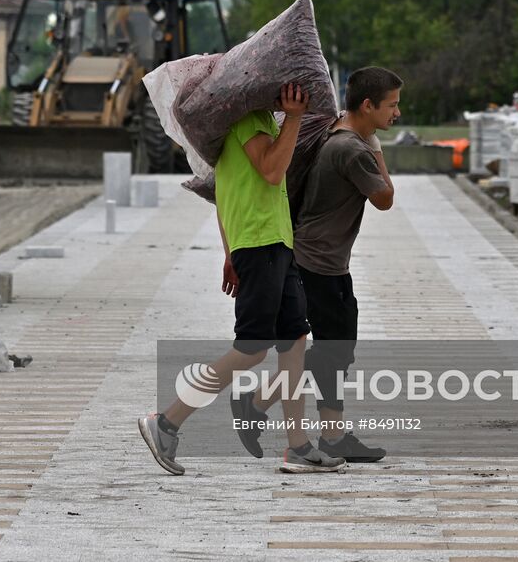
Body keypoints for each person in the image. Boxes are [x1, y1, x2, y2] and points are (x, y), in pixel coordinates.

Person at [138, 83, 346, 476]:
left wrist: (230, 252)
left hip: (273, 242)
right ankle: (165, 422)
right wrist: (296, 119)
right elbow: (270, 171)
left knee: (294, 342)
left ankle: (298, 446)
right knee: (252, 347)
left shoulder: (261, 119)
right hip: (261, 241)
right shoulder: (248, 118)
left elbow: (224, 193)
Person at [230, 67, 401, 464]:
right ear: (367, 105)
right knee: (331, 351)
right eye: (391, 106)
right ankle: (264, 407)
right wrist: (375, 145)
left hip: (320, 260)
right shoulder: (353, 149)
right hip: (318, 264)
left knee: (335, 351)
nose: (397, 114)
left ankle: (313, 426)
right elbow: (386, 197)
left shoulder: (337, 135)